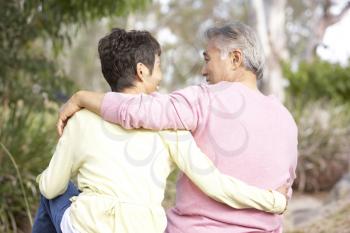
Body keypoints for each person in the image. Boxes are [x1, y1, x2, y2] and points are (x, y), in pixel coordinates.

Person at [33, 28, 289, 233]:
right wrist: (275, 201)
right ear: (142, 71)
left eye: (206, 59)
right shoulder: (171, 127)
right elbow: (216, 184)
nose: (161, 77)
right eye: (159, 67)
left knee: (51, 191)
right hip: (146, 228)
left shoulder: (82, 119)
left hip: (89, 225)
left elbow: (51, 186)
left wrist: (79, 98)